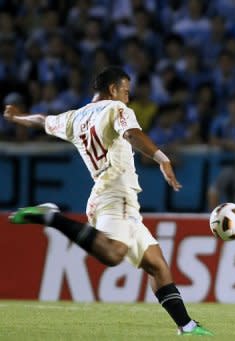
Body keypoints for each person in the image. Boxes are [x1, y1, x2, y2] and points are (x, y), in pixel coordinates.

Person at [3, 66, 213, 337]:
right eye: (126, 91)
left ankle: (187, 325)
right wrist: (163, 159)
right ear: (113, 89)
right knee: (114, 254)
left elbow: (43, 121)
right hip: (117, 191)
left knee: (156, 264)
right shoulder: (117, 109)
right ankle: (51, 217)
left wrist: (18, 117)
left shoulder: (74, 117)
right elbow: (132, 134)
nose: (128, 97)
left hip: (107, 194)